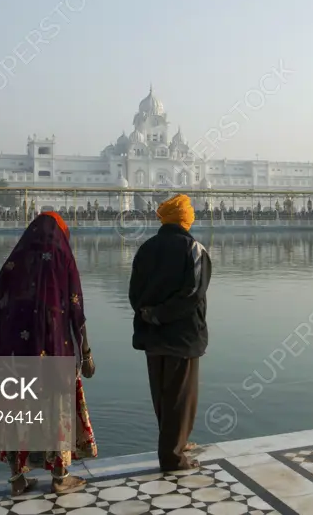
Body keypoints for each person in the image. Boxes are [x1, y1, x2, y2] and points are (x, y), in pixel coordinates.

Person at [0, 211, 97, 496]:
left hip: (14, 351)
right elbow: (76, 310)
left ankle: (17, 478)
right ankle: (59, 475)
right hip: (55, 348)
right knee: (56, 407)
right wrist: (87, 352)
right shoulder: (62, 257)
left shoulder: (17, 259)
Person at [130, 194, 212, 472]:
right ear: (185, 218)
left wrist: (149, 314)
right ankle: (173, 457)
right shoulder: (193, 249)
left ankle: (176, 442)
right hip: (182, 334)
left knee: (163, 394)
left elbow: (134, 293)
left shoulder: (146, 248)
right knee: (180, 395)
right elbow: (192, 293)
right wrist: (163, 314)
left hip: (152, 333)